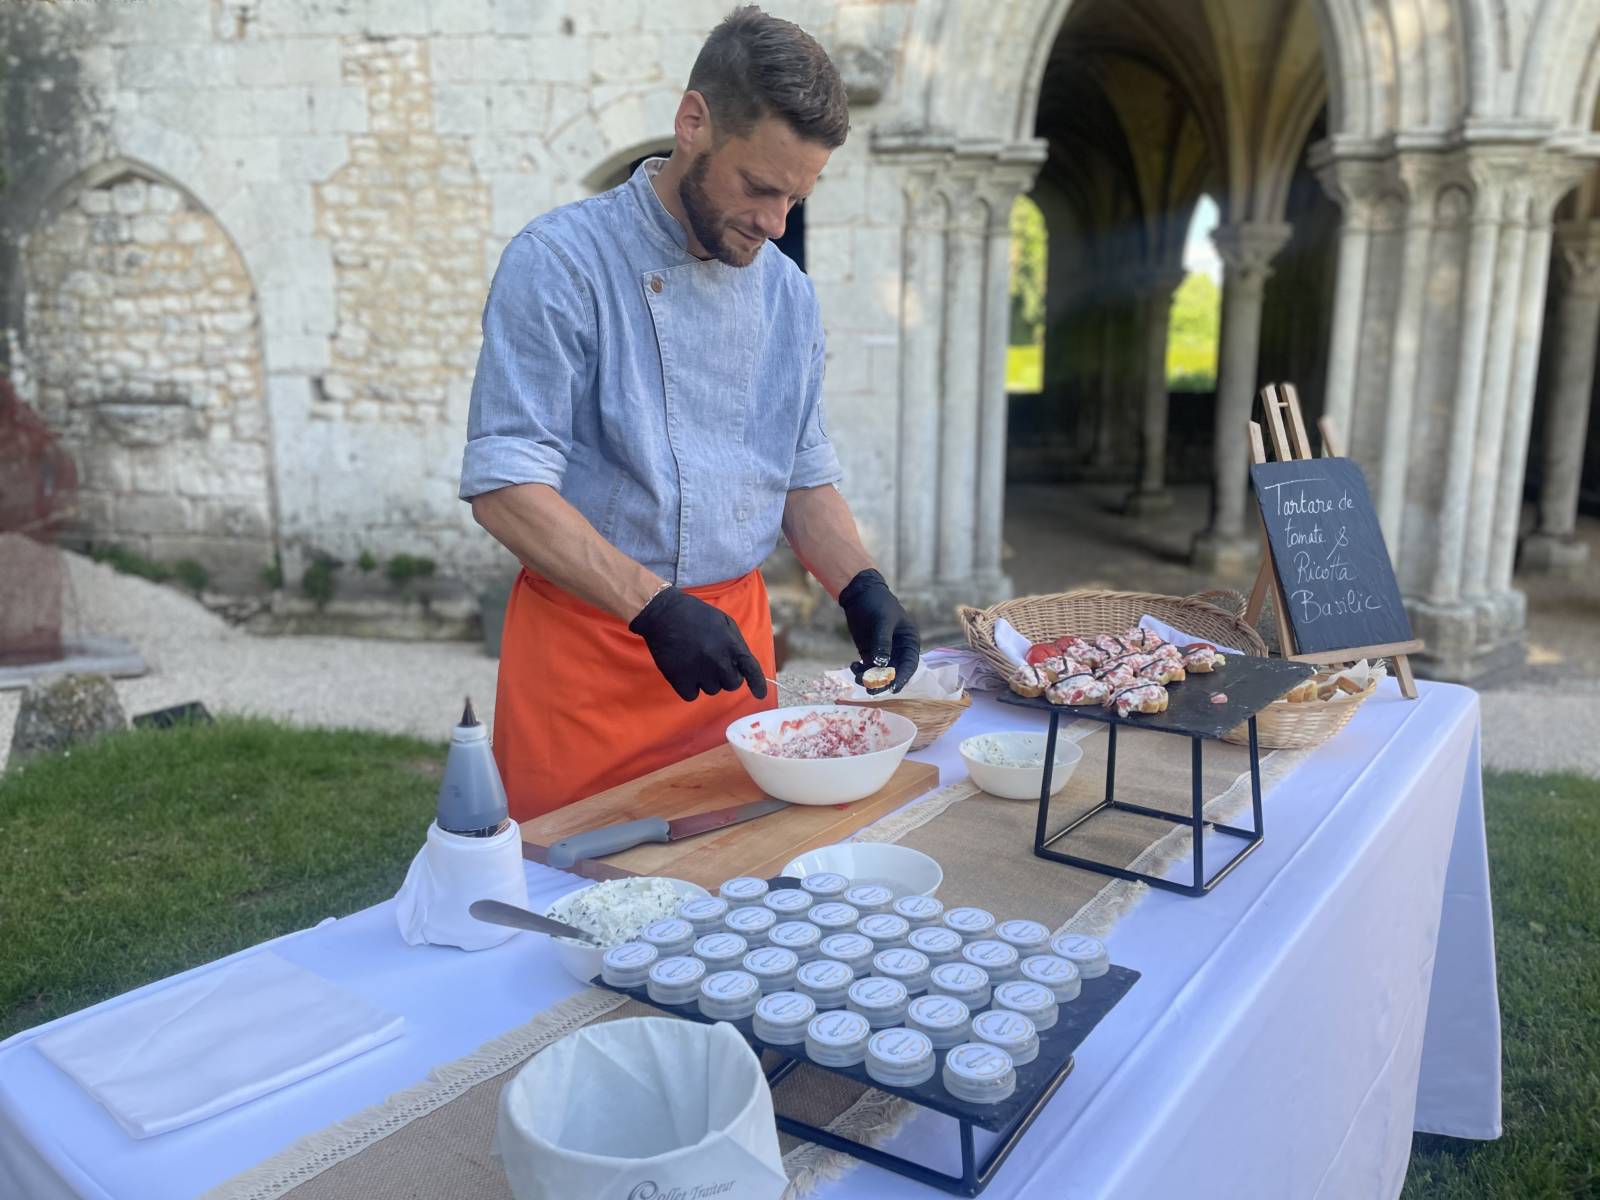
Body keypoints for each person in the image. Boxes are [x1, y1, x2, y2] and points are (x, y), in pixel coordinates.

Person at [460, 6, 920, 821]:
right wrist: (654, 606)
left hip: (732, 655)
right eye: (759, 188)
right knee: (570, 911)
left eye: (797, 199)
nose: (776, 224)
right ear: (694, 122)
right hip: (587, 656)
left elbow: (802, 481)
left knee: (734, 894)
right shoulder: (560, 261)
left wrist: (861, 583)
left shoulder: (788, 296)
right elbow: (506, 485)